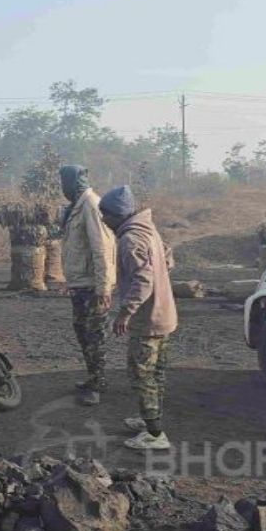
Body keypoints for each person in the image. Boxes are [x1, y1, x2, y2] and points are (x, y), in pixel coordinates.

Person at [99, 186, 177, 450]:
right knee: (156, 374)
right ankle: (150, 419)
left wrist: (126, 312)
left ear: (117, 215)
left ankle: (155, 434)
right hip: (163, 314)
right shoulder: (147, 228)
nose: (103, 220)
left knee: (140, 374)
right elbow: (167, 256)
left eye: (105, 215)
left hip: (147, 321)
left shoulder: (130, 240)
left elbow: (144, 279)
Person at [59, 165, 116, 406]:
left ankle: (97, 384)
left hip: (94, 285)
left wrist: (103, 286)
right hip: (81, 283)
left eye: (64, 182)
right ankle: (94, 377)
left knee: (94, 334)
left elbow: (101, 247)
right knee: (82, 330)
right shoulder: (77, 205)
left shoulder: (90, 204)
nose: (62, 187)